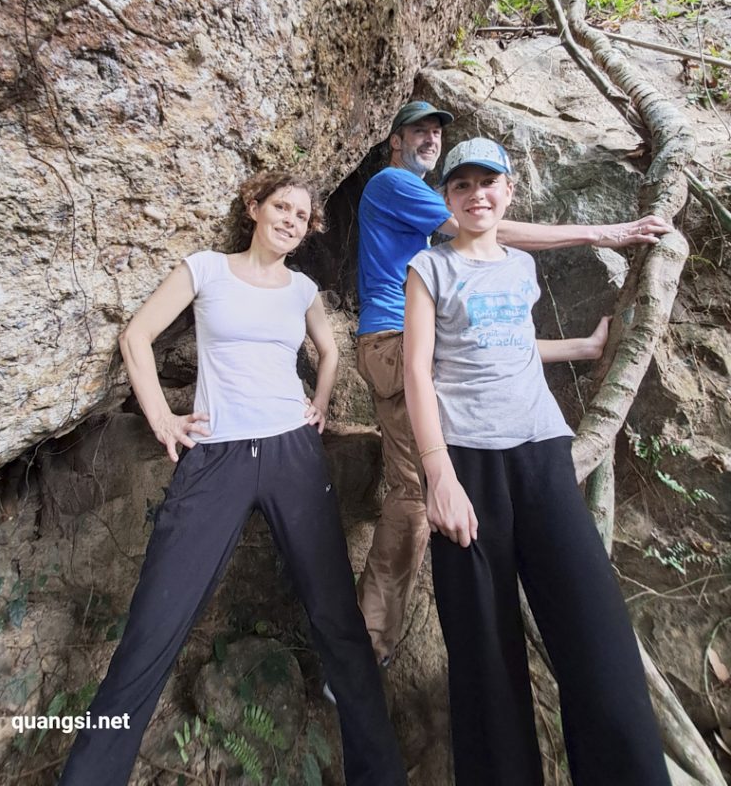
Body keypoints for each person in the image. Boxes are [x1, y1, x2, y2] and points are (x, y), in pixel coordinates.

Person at [58, 171, 407, 786]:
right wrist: (162, 417)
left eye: (302, 215)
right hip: (215, 455)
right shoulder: (206, 270)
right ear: (254, 207)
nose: (290, 220)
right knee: (154, 624)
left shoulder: (302, 288)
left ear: (307, 229)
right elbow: (135, 336)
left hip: (292, 453)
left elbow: (328, 351)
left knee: (338, 622)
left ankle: (379, 775)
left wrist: (319, 405)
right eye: (281, 206)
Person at [355, 99, 671, 663]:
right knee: (412, 494)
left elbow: (490, 341)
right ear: (394, 142)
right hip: (391, 340)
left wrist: (584, 347)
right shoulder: (392, 185)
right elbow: (485, 228)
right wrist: (606, 233)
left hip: (418, 347)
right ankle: (366, 646)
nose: (428, 139)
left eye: (435, 132)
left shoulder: (433, 225)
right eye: (417, 132)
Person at [403, 137, 671, 786]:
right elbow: (416, 370)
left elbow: (515, 347)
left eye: (488, 182)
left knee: (599, 643)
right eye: (462, 185)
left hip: (542, 457)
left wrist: (582, 345)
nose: (477, 195)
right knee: (486, 665)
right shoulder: (428, 268)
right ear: (448, 199)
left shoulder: (521, 269)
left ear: (509, 191)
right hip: (466, 467)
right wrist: (438, 475)